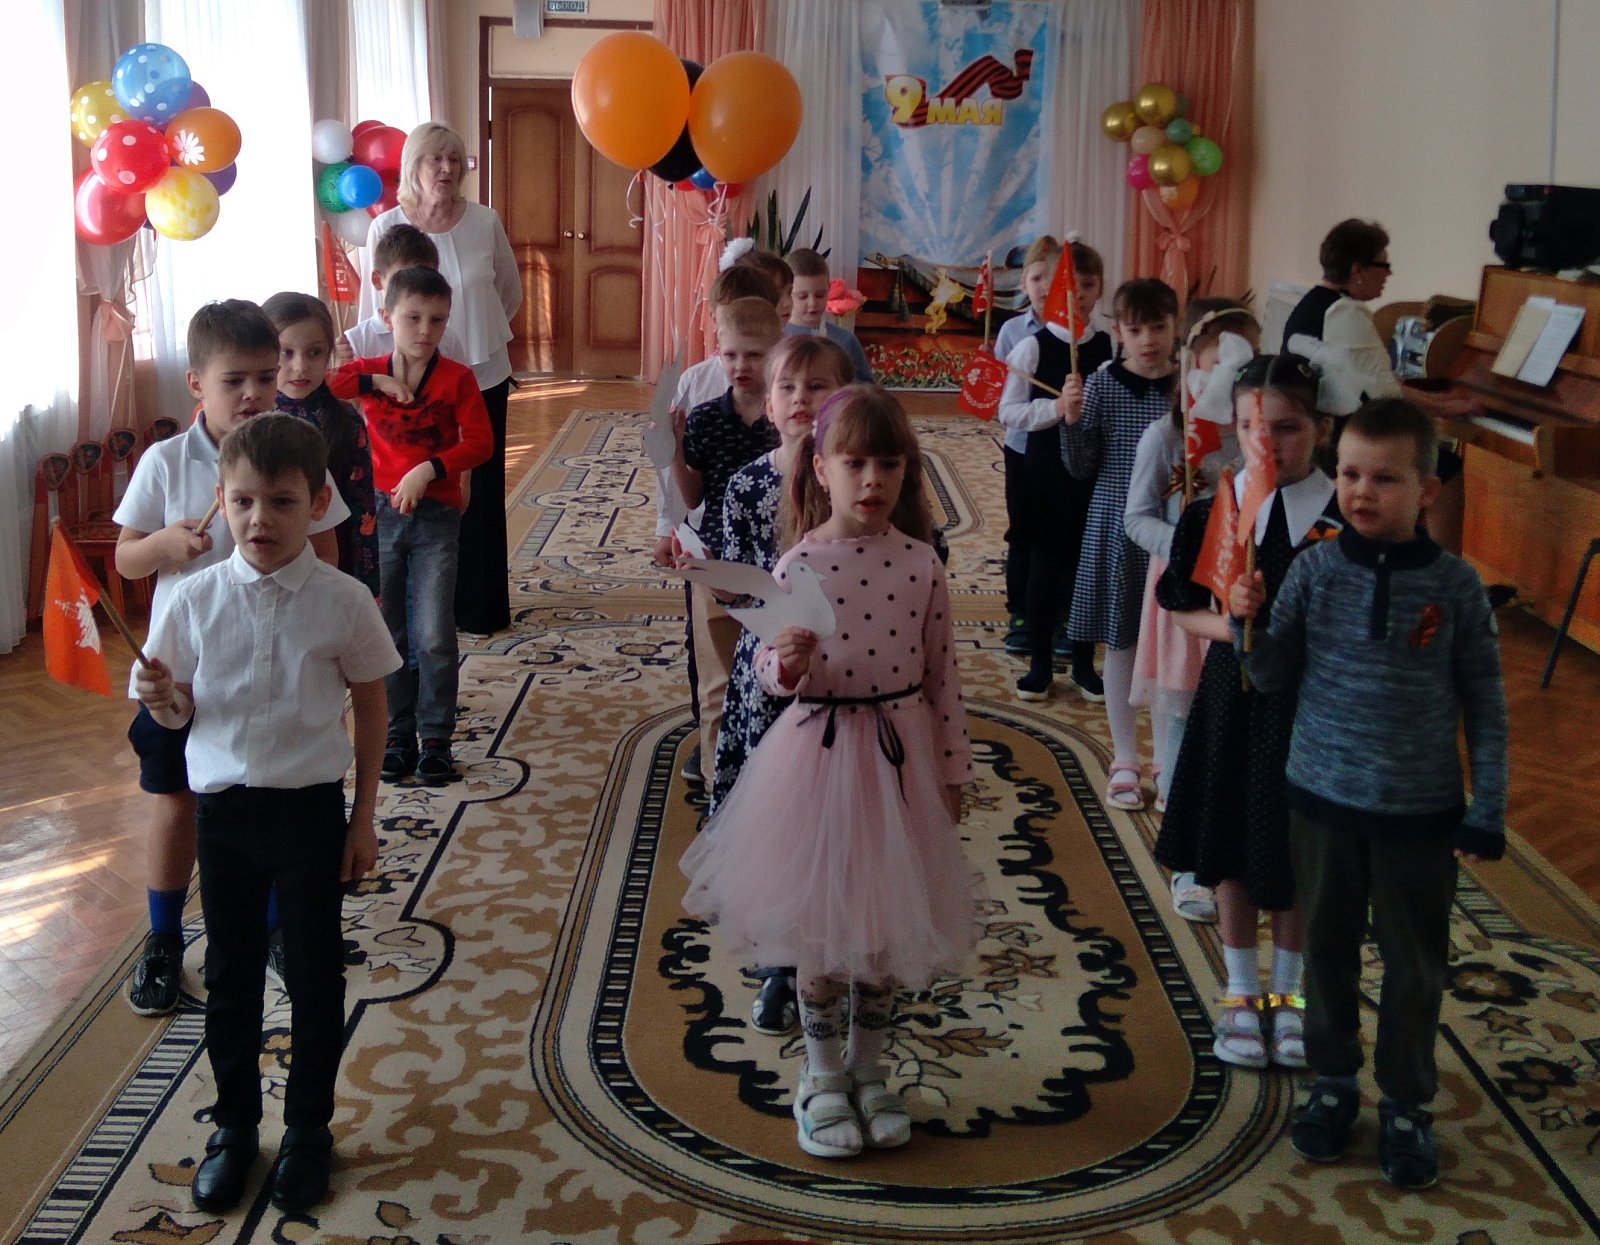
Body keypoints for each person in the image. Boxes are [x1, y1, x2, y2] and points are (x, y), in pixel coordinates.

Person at [680, 385, 975, 1160]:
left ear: (908, 471)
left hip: (899, 758)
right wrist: (787, 663)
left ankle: (869, 1070)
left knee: (880, 929)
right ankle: (820, 1074)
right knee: (820, 928)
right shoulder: (799, 561)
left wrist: (952, 769)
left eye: (889, 464)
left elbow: (943, 675)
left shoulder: (922, 564)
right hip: (817, 761)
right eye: (855, 463)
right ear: (821, 468)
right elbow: (769, 675)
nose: (873, 479)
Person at [1230, 397, 1506, 1190]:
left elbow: (1486, 704)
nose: (1360, 490)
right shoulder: (1315, 569)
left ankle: (1408, 1100)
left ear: (1426, 489)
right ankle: (1333, 1079)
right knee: (1326, 949)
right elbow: (1270, 676)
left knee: (1416, 962)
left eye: (1384, 478)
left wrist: (1487, 805)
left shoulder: (1456, 586)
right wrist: (1248, 624)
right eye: (1349, 473)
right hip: (1322, 801)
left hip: (1419, 813)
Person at [134, 414, 400, 1215]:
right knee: (231, 974)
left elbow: (372, 707)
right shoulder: (195, 598)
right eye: (243, 501)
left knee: (315, 974)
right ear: (220, 499)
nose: (259, 519)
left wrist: (363, 817)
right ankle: (234, 1126)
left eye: (282, 502)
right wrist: (163, 698)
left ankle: (309, 1128)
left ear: (317, 503)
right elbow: (180, 711)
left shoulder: (344, 601)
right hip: (223, 816)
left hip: (309, 813)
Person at [113, 301, 350, 1017]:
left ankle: (276, 928)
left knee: (270, 802)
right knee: (177, 799)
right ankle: (163, 937)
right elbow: (126, 559)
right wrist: (164, 545)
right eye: (234, 380)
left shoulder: (294, 449)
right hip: (183, 672)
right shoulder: (165, 462)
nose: (254, 394)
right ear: (196, 383)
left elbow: (328, 550)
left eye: (266, 377)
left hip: (272, 667)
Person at [1153, 354, 1339, 1071]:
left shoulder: (1342, 516)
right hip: (1235, 696)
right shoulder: (1219, 510)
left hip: (1315, 705)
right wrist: (1235, 626)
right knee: (1231, 834)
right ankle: (1239, 990)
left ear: (1321, 428)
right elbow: (1181, 608)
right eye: (1252, 428)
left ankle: (1288, 994)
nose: (1269, 443)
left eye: (1287, 428)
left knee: (1296, 844)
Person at [710, 334, 855, 1036]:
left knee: (836, 812)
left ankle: (840, 942)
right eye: (788, 388)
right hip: (769, 675)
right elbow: (735, 586)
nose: (802, 400)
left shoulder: (857, 479)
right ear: (767, 404)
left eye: (818, 386)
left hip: (847, 674)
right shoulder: (747, 485)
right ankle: (778, 961)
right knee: (776, 817)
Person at [329, 267, 493, 786]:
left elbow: (481, 442)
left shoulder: (457, 378)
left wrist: (431, 469)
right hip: (379, 514)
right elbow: (330, 384)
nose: (425, 330)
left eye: (437, 320)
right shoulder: (371, 370)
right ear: (386, 318)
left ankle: (436, 736)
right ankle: (398, 733)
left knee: (434, 632)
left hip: (436, 516)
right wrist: (376, 381)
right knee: (388, 629)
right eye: (412, 318)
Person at [1125, 298, 1258, 924]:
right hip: (1187, 594)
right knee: (1179, 720)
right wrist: (1191, 547)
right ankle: (1188, 865)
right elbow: (1137, 517)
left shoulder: (1258, 438)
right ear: (1191, 366)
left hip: (1243, 598)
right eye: (1217, 361)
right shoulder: (1167, 436)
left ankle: (1233, 849)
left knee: (1233, 723)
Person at [364, 122, 521, 636]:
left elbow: (508, 292)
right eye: (436, 159)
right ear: (414, 164)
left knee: (479, 491)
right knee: (420, 489)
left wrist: (474, 339)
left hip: (482, 374)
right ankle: (425, 607)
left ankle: (480, 607)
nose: (447, 168)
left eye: (455, 159)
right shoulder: (385, 227)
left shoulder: (485, 221)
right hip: (410, 381)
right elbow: (375, 308)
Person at [652, 264, 783, 784]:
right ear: (718, 353)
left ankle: (770, 782)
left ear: (776, 353)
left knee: (773, 674)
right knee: (716, 682)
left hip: (775, 563)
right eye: (730, 356)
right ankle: (716, 783)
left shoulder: (787, 419)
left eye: (754, 355)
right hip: (715, 561)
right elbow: (693, 496)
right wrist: (675, 450)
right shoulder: (706, 417)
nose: (740, 366)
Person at [1281, 218, 1475, 555]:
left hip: (1320, 433)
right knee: (1446, 469)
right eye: (1383, 264)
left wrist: (1439, 403)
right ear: (1358, 269)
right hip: (1337, 443)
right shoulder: (1344, 312)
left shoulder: (1312, 303)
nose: (1389, 273)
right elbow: (1386, 394)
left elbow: (1372, 382)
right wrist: (1447, 407)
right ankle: (1444, 568)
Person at [1059, 278, 1178, 810]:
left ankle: (1169, 757)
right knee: (1122, 640)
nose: (1148, 339)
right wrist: (1072, 419)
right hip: (1116, 525)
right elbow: (1080, 466)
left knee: (1173, 643)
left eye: (1158, 327)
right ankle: (1125, 756)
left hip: (1174, 528)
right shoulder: (1103, 383)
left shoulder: (1190, 385)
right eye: (1136, 329)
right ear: (1118, 332)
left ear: (1175, 327)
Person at [996, 235, 1112, 699]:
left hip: (1092, 476)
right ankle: (1040, 665)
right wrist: (1057, 409)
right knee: (1044, 564)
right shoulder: (1032, 347)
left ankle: (1083, 663)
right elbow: (1008, 412)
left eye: (1088, 286)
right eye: (1071, 285)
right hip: (1043, 473)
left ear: (1099, 289)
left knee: (1085, 567)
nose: (1077, 295)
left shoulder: (1108, 346)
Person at [263, 291, 380, 598]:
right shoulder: (252, 420)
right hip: (264, 559)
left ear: (329, 354)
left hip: (333, 561)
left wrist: (368, 584)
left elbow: (363, 508)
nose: (300, 366)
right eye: (286, 353)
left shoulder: (346, 420)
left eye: (314, 353)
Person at [339, 224, 468, 365]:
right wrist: (337, 366)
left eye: (424, 279)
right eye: (401, 280)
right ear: (377, 280)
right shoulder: (356, 342)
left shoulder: (448, 340)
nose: (415, 289)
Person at [784, 247, 873, 382]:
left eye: (820, 295)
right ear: (787, 293)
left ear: (829, 290)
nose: (812, 303)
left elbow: (869, 387)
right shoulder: (774, 338)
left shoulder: (845, 340)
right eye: (802, 296)